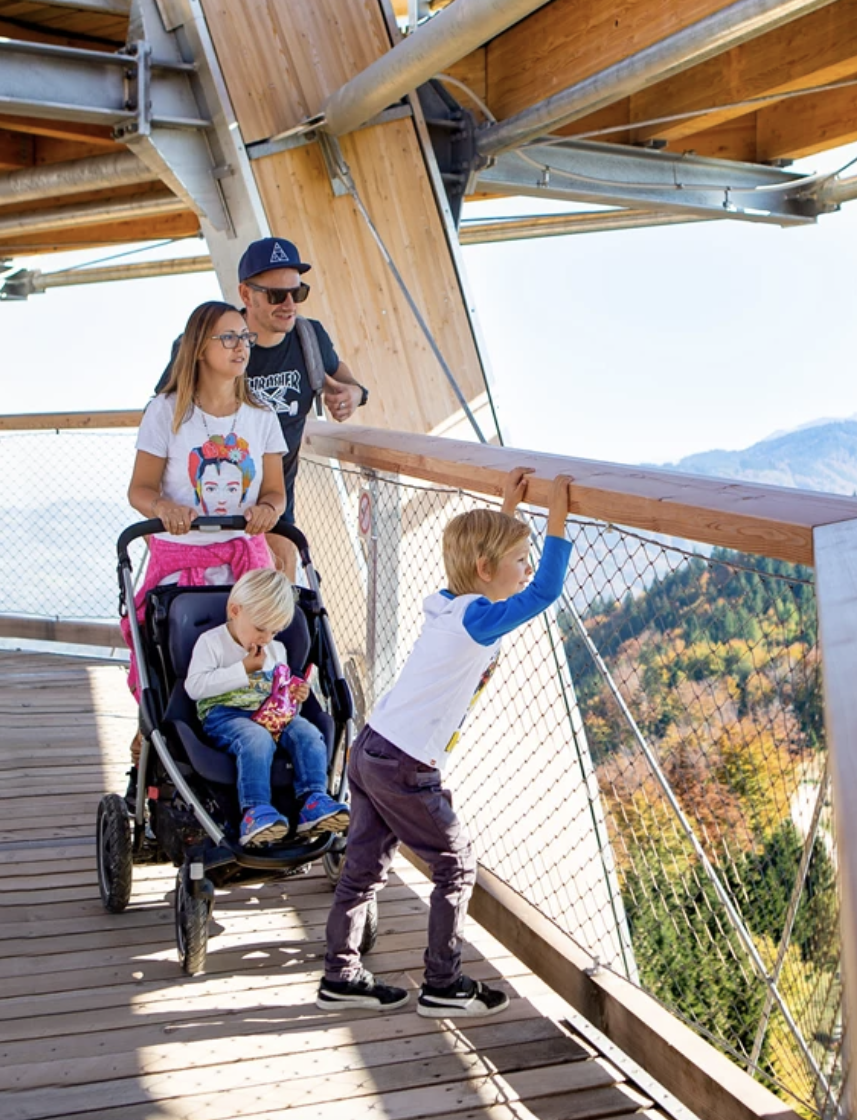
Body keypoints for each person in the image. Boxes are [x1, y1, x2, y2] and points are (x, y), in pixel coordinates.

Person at [317, 468, 573, 1015]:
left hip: (373, 747)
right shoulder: (479, 619)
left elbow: (490, 559)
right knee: (456, 865)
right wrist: (557, 511)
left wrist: (507, 504)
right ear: (485, 570)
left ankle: (339, 974)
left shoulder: (448, 604)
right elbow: (547, 591)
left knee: (363, 867)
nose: (526, 571)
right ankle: (443, 983)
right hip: (406, 764)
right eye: (519, 562)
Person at [154, 237, 370, 580]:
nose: (289, 304)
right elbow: (166, 413)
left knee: (274, 609)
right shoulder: (204, 348)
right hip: (201, 517)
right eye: (275, 295)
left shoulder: (309, 338)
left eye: (297, 293)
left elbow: (337, 371)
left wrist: (355, 392)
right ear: (245, 295)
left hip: (271, 509)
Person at [124, 300, 287, 697]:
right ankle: (157, 719)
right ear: (199, 348)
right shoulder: (166, 413)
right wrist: (164, 508)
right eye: (228, 337)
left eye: (245, 337)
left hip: (243, 557)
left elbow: (275, 493)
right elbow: (139, 490)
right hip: (185, 557)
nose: (241, 346)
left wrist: (267, 510)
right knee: (170, 650)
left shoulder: (262, 415)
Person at [186, 568, 349, 846]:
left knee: (309, 734)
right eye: (261, 629)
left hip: (271, 713)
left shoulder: (276, 649)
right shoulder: (212, 643)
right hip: (225, 715)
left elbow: (279, 689)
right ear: (235, 610)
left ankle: (314, 800)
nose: (266, 638)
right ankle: (254, 811)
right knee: (256, 739)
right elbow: (195, 687)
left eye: (274, 631)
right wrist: (243, 669)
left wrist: (295, 693)